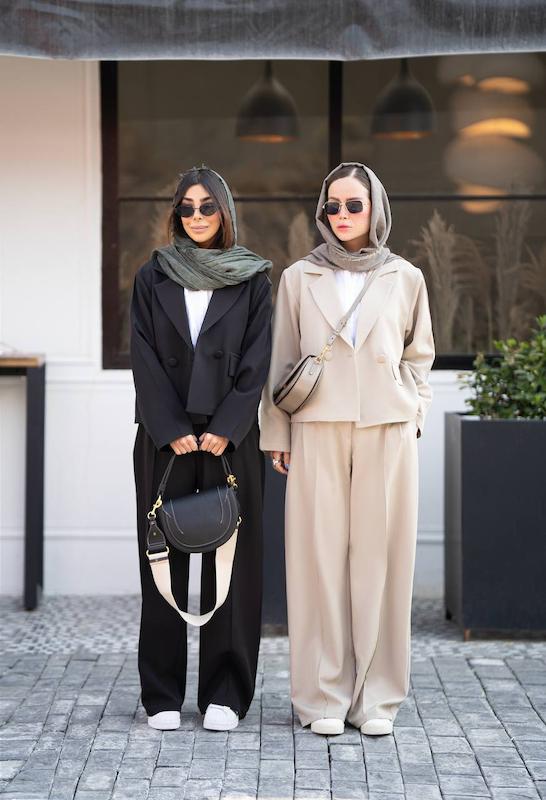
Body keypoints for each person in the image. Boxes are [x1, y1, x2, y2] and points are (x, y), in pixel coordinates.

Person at [260, 162, 435, 737]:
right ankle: (322, 698)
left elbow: (419, 355)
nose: (341, 215)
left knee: (384, 563)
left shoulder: (405, 276)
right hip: (317, 426)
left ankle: (377, 700)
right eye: (332, 206)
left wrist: (414, 413)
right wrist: (277, 434)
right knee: (318, 563)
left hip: (387, 428)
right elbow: (281, 361)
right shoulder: (298, 277)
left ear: (375, 208)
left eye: (353, 205)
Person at [130, 166, 272, 732]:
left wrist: (228, 426)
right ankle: (161, 693)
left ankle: (226, 693)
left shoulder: (254, 278)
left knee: (231, 564)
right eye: (186, 208)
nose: (195, 217)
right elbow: (142, 353)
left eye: (206, 206)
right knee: (161, 559)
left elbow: (260, 356)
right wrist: (168, 426)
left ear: (225, 211)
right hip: (165, 438)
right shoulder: (152, 275)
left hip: (228, 441)